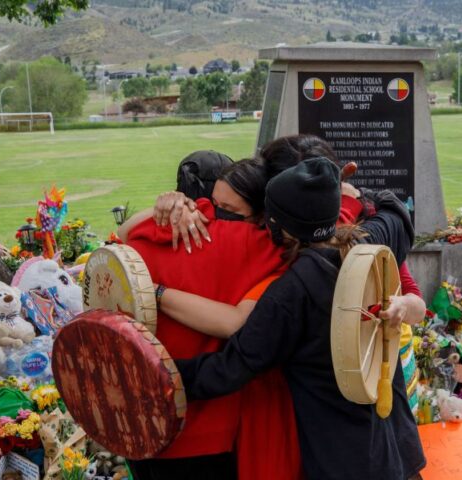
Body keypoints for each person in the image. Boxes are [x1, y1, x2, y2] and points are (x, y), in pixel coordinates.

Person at [173, 158, 426, 480]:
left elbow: (230, 368)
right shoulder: (366, 243)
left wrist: (155, 372)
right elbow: (396, 214)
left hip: (347, 459)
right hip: (398, 445)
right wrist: (357, 193)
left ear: (278, 226)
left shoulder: (293, 292)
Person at [125, 159, 286, 479]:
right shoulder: (270, 249)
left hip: (138, 413)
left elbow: (121, 237)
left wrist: (177, 204)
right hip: (208, 427)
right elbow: (234, 323)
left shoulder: (160, 227)